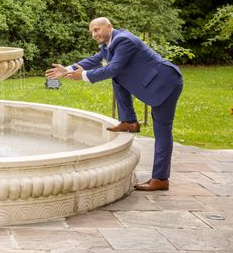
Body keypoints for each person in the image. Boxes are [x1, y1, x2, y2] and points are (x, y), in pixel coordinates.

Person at [45, 17, 183, 192]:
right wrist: (67, 69)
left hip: (165, 83)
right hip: (154, 81)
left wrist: (84, 76)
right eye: (91, 32)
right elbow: (93, 60)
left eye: (97, 29)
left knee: (162, 130)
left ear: (109, 27)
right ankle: (129, 121)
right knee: (118, 78)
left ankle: (161, 178)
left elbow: (112, 69)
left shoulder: (124, 40)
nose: (94, 34)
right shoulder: (109, 44)